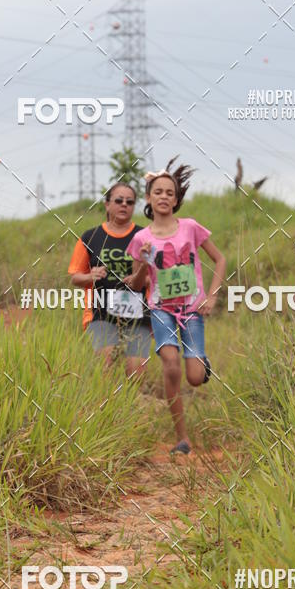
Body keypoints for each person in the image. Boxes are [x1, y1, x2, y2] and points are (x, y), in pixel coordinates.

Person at [127, 159, 226, 455]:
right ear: (148, 198)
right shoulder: (141, 239)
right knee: (171, 364)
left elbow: (220, 260)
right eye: (158, 192)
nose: (164, 197)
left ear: (176, 199)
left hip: (191, 310)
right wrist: (144, 262)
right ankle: (182, 437)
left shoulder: (191, 228)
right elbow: (135, 283)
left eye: (169, 193)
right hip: (161, 310)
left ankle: (201, 363)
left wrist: (212, 296)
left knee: (194, 377)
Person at [68, 183, 150, 378]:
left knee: (136, 371)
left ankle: (132, 398)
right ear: (107, 204)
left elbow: (157, 276)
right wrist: (90, 276)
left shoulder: (145, 237)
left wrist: (141, 278)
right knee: (105, 366)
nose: (124, 205)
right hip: (100, 311)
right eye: (119, 200)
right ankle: (105, 398)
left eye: (130, 202)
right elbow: (75, 277)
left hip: (138, 311)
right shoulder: (91, 237)